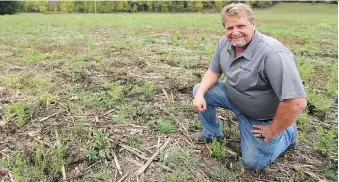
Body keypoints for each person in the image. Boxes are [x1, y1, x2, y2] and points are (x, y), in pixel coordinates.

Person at [191, 3, 307, 170]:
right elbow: (213, 71)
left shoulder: (273, 54)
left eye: (241, 25)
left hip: (261, 117)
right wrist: (201, 93)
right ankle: (212, 133)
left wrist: (273, 130)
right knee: (200, 89)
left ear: (253, 25)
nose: (235, 32)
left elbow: (296, 102)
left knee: (255, 162)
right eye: (230, 27)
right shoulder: (224, 43)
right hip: (233, 96)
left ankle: (288, 134)